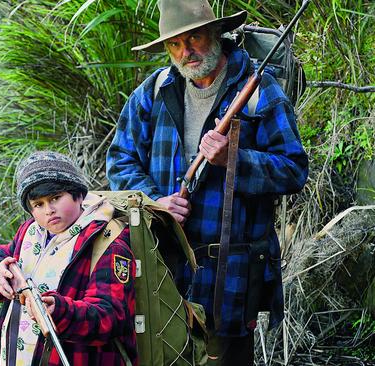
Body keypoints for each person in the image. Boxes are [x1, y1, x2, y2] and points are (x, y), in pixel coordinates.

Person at [106, 0, 309, 364]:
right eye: (175, 44)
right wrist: (155, 203)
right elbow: (120, 161)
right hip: (165, 268)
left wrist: (235, 160)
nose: (186, 52)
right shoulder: (153, 92)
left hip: (230, 275)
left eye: (195, 37)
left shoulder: (259, 91)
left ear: (216, 33)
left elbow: (294, 170)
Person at [0, 151, 137, 366]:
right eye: (38, 205)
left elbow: (110, 318)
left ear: (78, 195)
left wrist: (60, 311)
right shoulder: (29, 233)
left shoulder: (108, 242)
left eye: (55, 198)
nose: (49, 211)